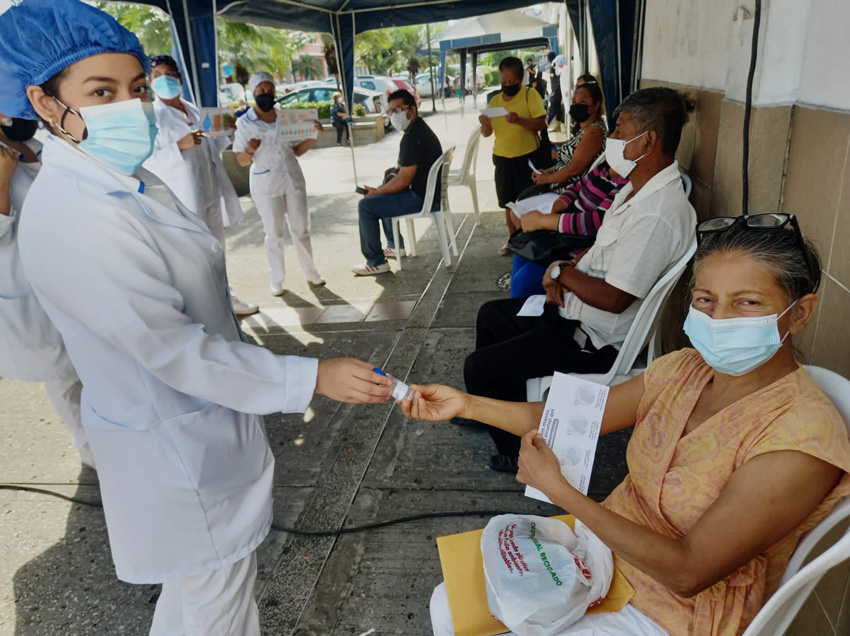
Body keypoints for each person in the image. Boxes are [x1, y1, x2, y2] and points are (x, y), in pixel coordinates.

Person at [0, 3, 393, 634]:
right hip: (175, 445)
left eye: (133, 89)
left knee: (201, 598)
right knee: (220, 606)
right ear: (45, 102)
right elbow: (172, 349)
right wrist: (309, 377)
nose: (126, 107)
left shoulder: (124, 179)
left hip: (195, 430)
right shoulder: (77, 211)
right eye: (99, 92)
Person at [405, 214, 850, 636]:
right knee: (450, 604)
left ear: (800, 312)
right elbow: (567, 417)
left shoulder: (800, 439)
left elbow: (689, 571)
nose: (719, 320)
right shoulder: (685, 369)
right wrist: (465, 404)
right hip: (605, 553)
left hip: (673, 612)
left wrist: (563, 494)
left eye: (747, 303)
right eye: (706, 300)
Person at [464, 87, 697, 473]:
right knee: (491, 316)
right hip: (573, 312)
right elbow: (603, 250)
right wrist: (566, 267)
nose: (612, 141)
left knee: (479, 367)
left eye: (620, 133)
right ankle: (492, 409)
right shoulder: (637, 192)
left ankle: (515, 450)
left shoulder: (657, 213)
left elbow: (615, 298)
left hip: (591, 339)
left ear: (648, 141)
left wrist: (562, 273)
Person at [0, 113, 92, 467]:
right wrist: (3, 181)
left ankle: (116, 434)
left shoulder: (40, 145)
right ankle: (90, 448)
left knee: (94, 361)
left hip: (72, 270)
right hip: (28, 281)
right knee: (65, 377)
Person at [143, 54, 257, 317]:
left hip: (209, 192)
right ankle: (200, 307)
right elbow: (146, 161)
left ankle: (227, 298)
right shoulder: (154, 117)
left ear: (180, 79)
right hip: (183, 197)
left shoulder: (195, 111)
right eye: (157, 75)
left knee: (217, 248)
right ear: (150, 82)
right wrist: (178, 147)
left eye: (169, 74)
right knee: (191, 255)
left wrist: (227, 130)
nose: (164, 80)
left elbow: (213, 145)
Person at [233, 71, 325, 296]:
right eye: (260, 91)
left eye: (269, 90)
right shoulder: (244, 122)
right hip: (265, 183)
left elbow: (296, 150)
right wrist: (249, 150)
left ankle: (311, 272)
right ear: (254, 93)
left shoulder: (286, 118)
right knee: (274, 232)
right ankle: (276, 279)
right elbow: (241, 161)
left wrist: (313, 136)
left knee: (301, 228)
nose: (266, 94)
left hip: (291, 178)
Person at [351, 89, 442, 276]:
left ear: (412, 110)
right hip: (427, 193)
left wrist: (376, 192)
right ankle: (394, 245)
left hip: (421, 198)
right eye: (391, 111)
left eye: (399, 109)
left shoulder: (413, 138)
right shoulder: (418, 130)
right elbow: (402, 176)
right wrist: (382, 188)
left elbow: (403, 180)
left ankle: (376, 261)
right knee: (385, 187)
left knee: (366, 206)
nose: (394, 114)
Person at [510, 158, 629, 298]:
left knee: (524, 280)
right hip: (562, 231)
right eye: (614, 134)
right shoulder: (606, 167)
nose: (615, 138)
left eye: (621, 135)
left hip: (578, 246)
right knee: (521, 255)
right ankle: (522, 309)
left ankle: (524, 313)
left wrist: (546, 221)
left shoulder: (628, 183)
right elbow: (577, 186)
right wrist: (560, 204)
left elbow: (598, 221)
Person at [479, 57, 547, 255]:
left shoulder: (529, 95)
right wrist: (485, 123)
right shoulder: (495, 101)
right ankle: (513, 240)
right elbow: (487, 133)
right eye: (503, 82)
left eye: (512, 82)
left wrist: (519, 120)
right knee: (507, 202)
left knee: (526, 200)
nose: (507, 85)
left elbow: (541, 124)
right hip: (502, 158)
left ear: (520, 78)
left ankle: (529, 238)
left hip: (527, 157)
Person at [531, 81, 606, 194]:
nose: (576, 105)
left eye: (583, 102)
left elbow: (575, 168)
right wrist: (547, 172)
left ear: (596, 105)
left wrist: (547, 179)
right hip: (560, 187)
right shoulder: (584, 130)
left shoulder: (595, 132)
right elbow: (567, 162)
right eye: (574, 102)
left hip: (573, 193)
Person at [546, 52, 565, 132]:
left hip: (557, 89)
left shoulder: (555, 65)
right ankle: (558, 125)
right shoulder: (553, 65)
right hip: (556, 89)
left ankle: (547, 124)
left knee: (553, 107)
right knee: (557, 109)